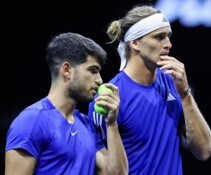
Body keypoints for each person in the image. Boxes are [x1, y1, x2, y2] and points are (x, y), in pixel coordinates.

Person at [88, 4, 211, 175]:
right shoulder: (109, 96)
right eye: (159, 37)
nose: (168, 44)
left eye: (168, 36)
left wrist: (185, 94)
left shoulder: (173, 83)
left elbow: (204, 150)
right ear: (135, 43)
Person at [5, 32, 128, 175]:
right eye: (92, 70)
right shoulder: (31, 122)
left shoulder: (86, 124)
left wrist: (111, 124)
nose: (99, 80)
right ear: (67, 70)